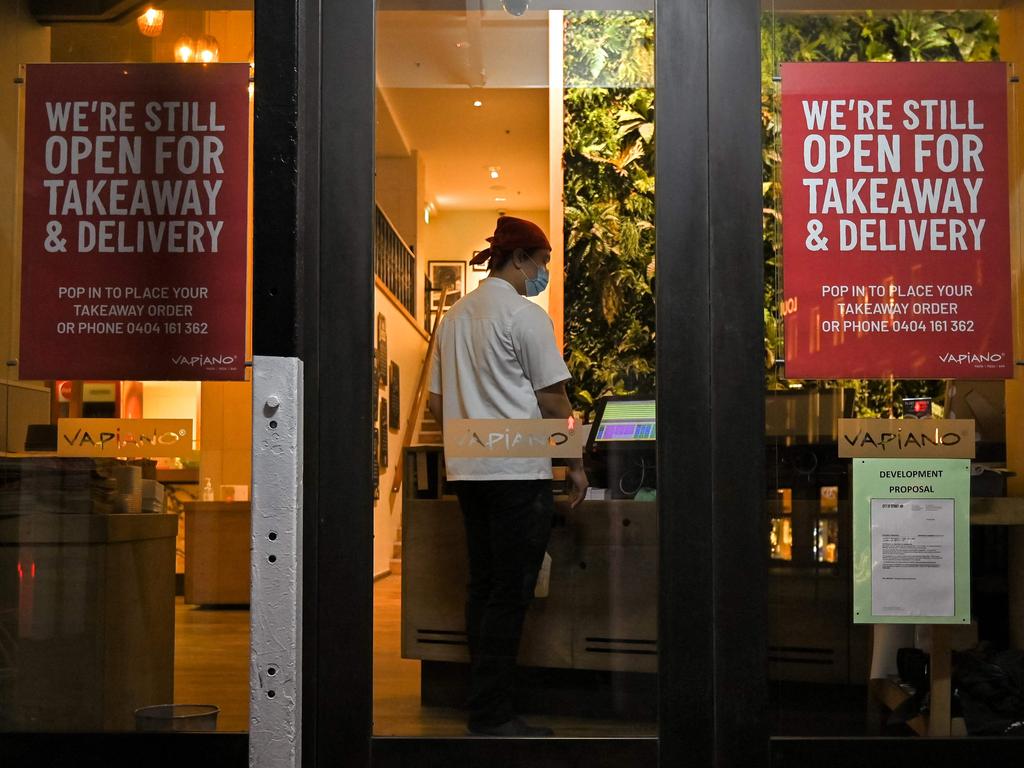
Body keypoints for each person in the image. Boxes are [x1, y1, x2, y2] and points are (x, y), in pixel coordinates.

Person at [427, 215, 588, 737]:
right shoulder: (524, 316)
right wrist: (577, 464)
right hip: (519, 472)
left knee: (484, 587)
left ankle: (484, 705)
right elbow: (552, 399)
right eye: (542, 263)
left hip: (469, 472)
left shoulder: (452, 318)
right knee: (510, 593)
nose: (542, 274)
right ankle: (492, 714)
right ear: (520, 259)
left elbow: (434, 403)